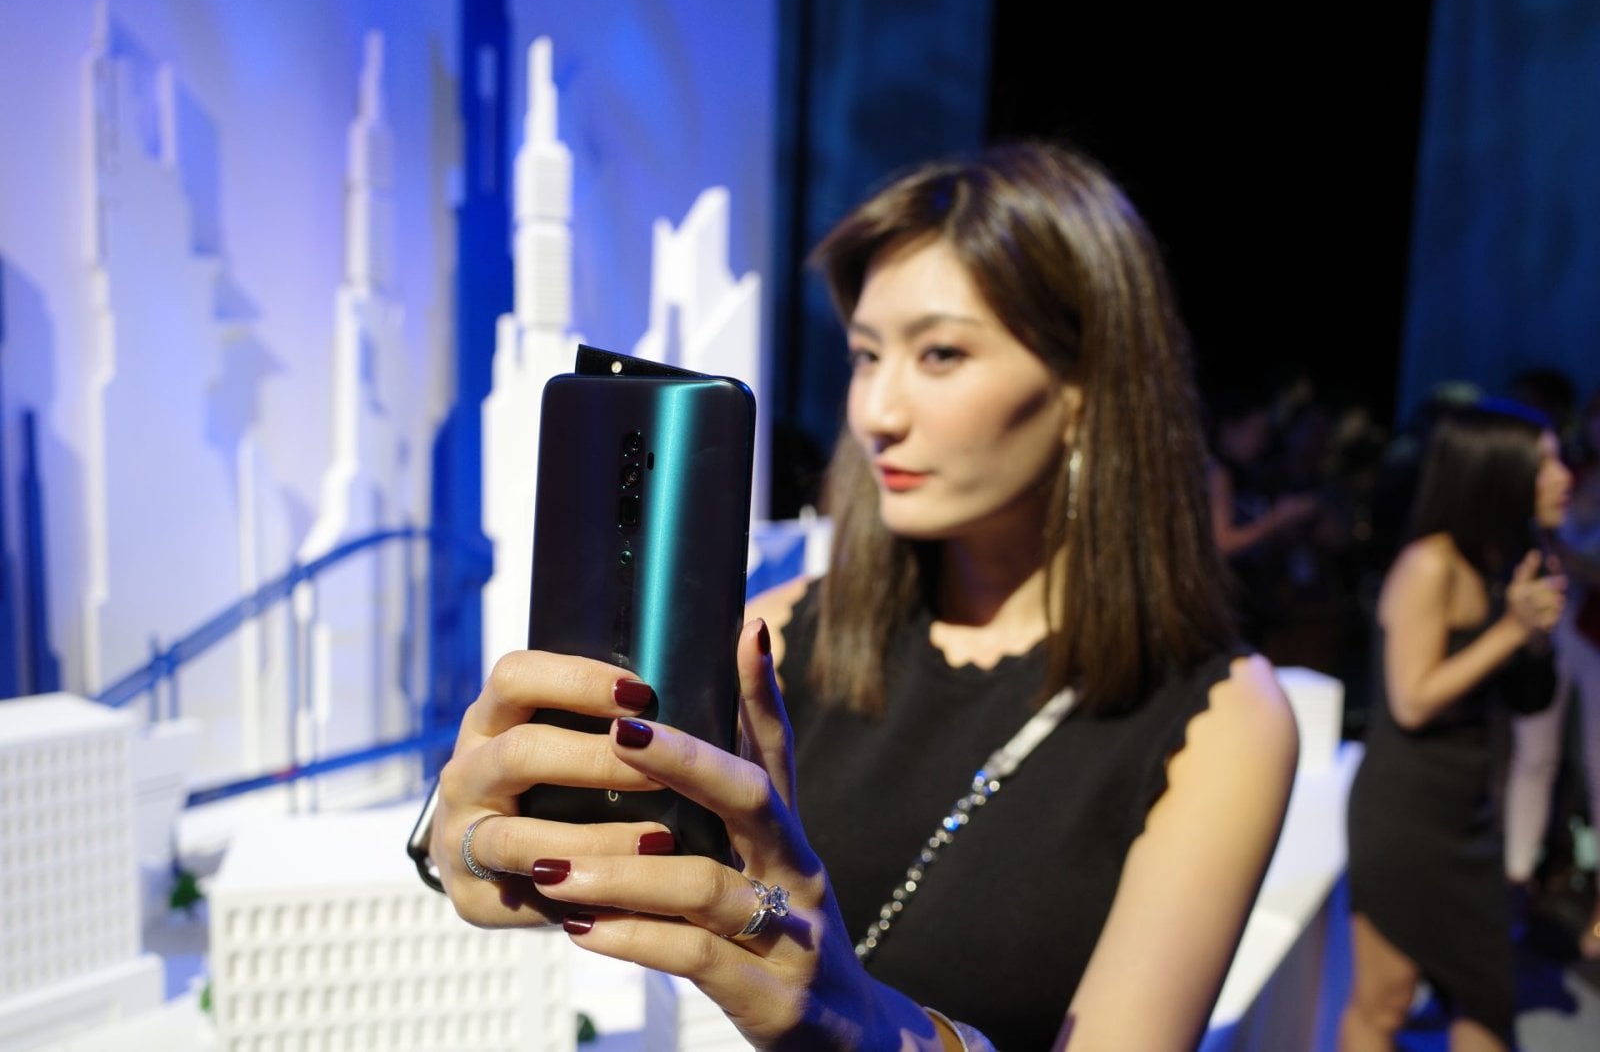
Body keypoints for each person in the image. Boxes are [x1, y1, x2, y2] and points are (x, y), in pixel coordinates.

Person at [429, 143, 1299, 1051]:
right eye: (866, 355)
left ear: (1086, 385)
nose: (877, 411)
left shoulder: (1219, 720)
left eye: (941, 353)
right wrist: (476, 846)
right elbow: (583, 855)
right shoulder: (783, 634)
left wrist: (861, 1024)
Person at [1341, 403, 1571, 1052]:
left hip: (1468, 808)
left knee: (1486, 996)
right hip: (1405, 813)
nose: (1563, 476)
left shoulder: (1512, 556)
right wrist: (1512, 631)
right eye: (1544, 463)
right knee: (1384, 1002)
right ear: (1497, 473)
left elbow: (1529, 699)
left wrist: (1535, 642)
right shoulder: (1430, 564)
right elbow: (1412, 701)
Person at [1503, 386, 1600, 958]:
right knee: (1532, 757)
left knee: (1597, 765)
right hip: (1551, 627)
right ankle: (1515, 886)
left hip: (1592, 633)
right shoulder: (1571, 475)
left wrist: (1568, 556)